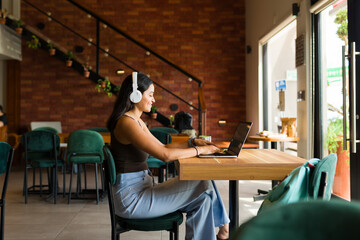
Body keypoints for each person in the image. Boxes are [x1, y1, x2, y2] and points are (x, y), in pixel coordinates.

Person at [107, 72, 230, 240]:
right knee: (203, 182)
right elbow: (164, 155)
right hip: (132, 200)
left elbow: (163, 146)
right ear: (135, 95)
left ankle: (224, 230)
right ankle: (225, 228)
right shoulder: (126, 122)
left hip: (141, 190)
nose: (153, 99)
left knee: (203, 198)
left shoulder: (136, 121)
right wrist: (200, 151)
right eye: (150, 95)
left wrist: (193, 143)